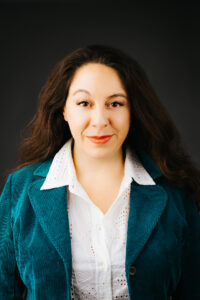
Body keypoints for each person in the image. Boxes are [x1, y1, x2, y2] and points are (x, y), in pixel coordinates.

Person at [0, 44, 200, 300]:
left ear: (133, 111)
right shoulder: (20, 190)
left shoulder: (175, 193)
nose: (99, 120)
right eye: (84, 103)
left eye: (115, 104)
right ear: (63, 108)